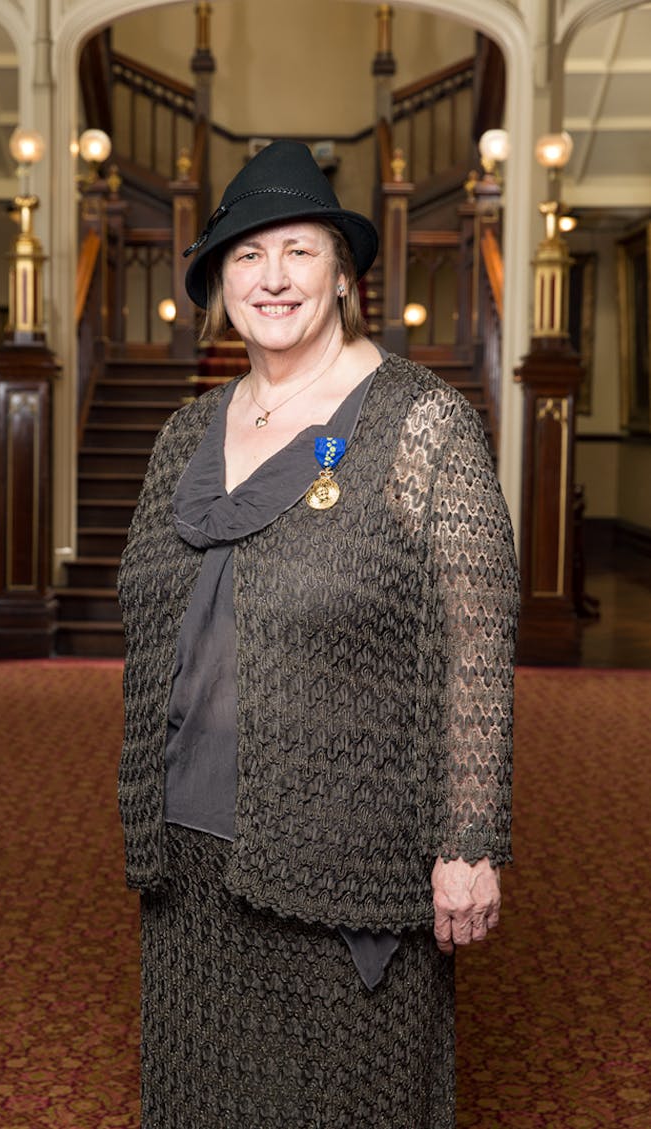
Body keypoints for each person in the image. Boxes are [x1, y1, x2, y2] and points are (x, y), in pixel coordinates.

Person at [118, 139, 519, 1128]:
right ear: (219, 285)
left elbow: (475, 644)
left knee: (349, 1099)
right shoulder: (184, 435)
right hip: (189, 853)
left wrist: (469, 840)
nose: (273, 277)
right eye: (246, 255)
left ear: (343, 274)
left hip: (348, 856)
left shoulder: (422, 424)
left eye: (298, 250)